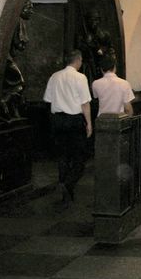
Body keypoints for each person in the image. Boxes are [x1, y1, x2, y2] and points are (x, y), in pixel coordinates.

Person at [43, 50, 93, 208]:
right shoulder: (80, 77)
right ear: (78, 60)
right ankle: (68, 184)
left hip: (58, 120)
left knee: (63, 156)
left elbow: (48, 99)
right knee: (79, 158)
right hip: (74, 121)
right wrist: (89, 123)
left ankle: (65, 191)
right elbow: (85, 103)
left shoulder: (54, 76)